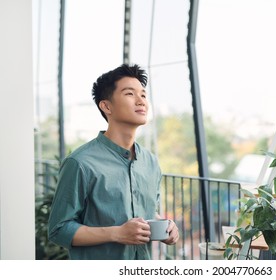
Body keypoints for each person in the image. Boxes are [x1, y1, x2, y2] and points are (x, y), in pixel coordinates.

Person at [48, 63, 179, 260]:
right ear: (106, 106)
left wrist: (166, 226)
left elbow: (150, 211)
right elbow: (59, 229)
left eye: (143, 95)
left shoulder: (150, 162)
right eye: (129, 94)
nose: (140, 100)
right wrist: (117, 233)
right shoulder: (80, 162)